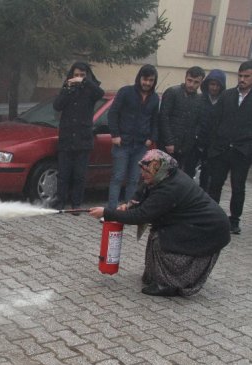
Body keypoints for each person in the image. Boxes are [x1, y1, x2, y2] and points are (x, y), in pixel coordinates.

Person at [88, 150, 230, 297]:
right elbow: (142, 191)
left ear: (158, 170)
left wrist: (107, 212)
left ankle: (168, 284)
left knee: (163, 238)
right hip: (196, 223)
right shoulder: (164, 175)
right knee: (158, 232)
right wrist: (128, 205)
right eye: (143, 171)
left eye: (147, 172)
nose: (143, 175)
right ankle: (157, 276)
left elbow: (141, 216)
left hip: (209, 229)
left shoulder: (170, 187)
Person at [205, 60, 252, 235]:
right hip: (221, 149)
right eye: (240, 75)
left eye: (246, 76)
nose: (242, 79)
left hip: (242, 151)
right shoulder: (227, 96)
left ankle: (234, 220)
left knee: (238, 186)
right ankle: (212, 216)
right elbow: (214, 122)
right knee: (215, 184)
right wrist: (212, 146)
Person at [52, 61, 105, 212]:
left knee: (79, 175)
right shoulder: (67, 88)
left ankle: (76, 204)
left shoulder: (90, 90)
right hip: (67, 138)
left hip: (83, 139)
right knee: (63, 174)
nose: (78, 78)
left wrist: (85, 81)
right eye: (76, 75)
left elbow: (100, 93)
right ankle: (60, 202)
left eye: (82, 75)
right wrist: (67, 89)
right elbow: (57, 105)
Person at [107, 64, 160, 210]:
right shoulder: (126, 92)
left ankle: (129, 212)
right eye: (145, 79)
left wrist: (152, 137)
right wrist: (115, 135)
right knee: (117, 178)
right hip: (122, 143)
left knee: (134, 180)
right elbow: (113, 114)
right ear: (139, 78)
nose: (147, 83)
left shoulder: (155, 98)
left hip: (141, 145)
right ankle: (111, 211)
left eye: (151, 80)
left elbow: (155, 120)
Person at [159, 66, 205, 178]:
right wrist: (169, 141)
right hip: (167, 145)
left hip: (185, 148)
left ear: (200, 83)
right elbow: (163, 118)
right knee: (161, 178)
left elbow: (198, 122)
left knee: (176, 179)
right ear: (185, 78)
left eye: (196, 82)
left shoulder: (200, 99)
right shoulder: (172, 92)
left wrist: (193, 139)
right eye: (189, 80)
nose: (191, 85)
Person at [195, 69, 226, 191]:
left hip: (213, 145)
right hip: (196, 143)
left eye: (217, 85)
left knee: (207, 177)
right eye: (212, 84)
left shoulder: (224, 102)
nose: (214, 88)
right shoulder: (200, 100)